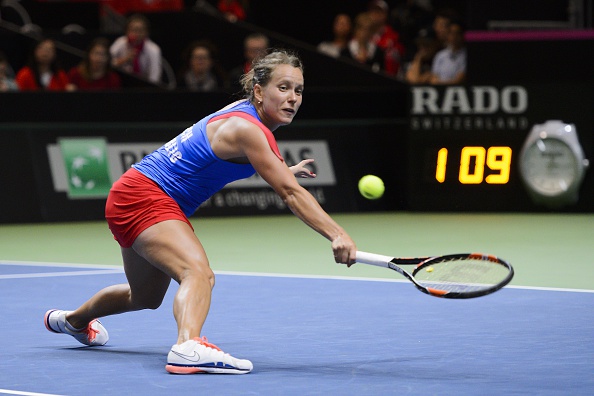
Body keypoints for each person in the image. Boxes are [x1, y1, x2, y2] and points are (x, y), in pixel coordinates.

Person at [43, 49, 357, 375]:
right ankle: (187, 346)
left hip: (131, 192)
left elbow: (222, 160)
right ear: (259, 91)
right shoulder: (249, 129)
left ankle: (72, 321)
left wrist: (282, 168)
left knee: (145, 297)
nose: (292, 98)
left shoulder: (242, 116)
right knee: (198, 273)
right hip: (146, 196)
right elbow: (290, 193)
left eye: (299, 90)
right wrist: (338, 234)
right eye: (283, 87)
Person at [110, 14, 162, 84]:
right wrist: (124, 59)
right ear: (127, 31)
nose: (136, 33)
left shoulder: (153, 49)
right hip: (122, 83)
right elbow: (107, 63)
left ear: (146, 33)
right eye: (133, 30)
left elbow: (155, 76)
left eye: (140, 30)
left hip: (144, 85)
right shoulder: (120, 42)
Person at [367, 0, 406, 76]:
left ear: (385, 14)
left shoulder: (393, 36)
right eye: (373, 11)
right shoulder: (364, 35)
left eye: (379, 12)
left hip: (389, 78)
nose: (375, 15)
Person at [429, 19, 466, 85]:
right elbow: (433, 79)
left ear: (462, 35)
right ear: (447, 35)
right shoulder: (440, 55)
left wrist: (441, 85)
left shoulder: (466, 56)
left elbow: (459, 80)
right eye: (451, 33)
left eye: (457, 33)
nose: (454, 37)